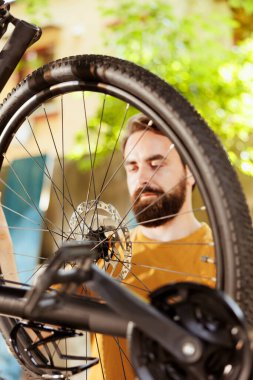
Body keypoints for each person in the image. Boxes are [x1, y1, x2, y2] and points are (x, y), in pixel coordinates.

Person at [89, 114, 216, 379]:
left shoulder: (230, 258)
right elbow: (31, 332)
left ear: (190, 171)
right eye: (132, 167)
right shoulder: (103, 253)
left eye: (156, 164)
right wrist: (4, 245)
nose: (142, 178)